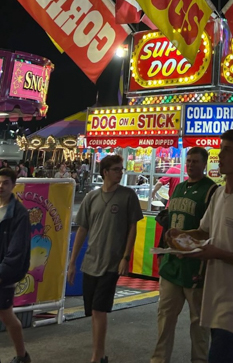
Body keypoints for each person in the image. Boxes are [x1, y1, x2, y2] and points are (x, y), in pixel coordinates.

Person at [169, 129, 233, 363]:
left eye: (227, 150)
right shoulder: (218, 195)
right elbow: (204, 231)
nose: (220, 154)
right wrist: (180, 236)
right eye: (220, 148)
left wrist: (218, 254)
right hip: (214, 299)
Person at [67, 154, 143, 363]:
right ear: (106, 172)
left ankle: (97, 356)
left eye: (121, 169)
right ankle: (99, 352)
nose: (121, 172)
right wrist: (72, 262)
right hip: (91, 261)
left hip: (112, 262)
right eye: (117, 169)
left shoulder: (128, 196)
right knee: (93, 310)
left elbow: (132, 228)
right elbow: (82, 229)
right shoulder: (92, 198)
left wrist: (125, 258)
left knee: (100, 309)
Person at [151, 147, 218, 363]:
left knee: (199, 322)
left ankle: (199, 360)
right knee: (164, 318)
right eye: (188, 161)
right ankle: (159, 359)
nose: (191, 165)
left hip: (195, 266)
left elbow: (211, 229)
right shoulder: (178, 188)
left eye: (196, 161)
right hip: (171, 265)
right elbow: (171, 220)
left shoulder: (212, 191)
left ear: (205, 163)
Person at [0, 166, 32, 363]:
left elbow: (17, 250)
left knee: (6, 315)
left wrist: (3, 272)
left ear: (13, 185)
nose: (1, 186)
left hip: (5, 273)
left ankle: (22, 356)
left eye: (5, 183)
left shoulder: (19, 213)